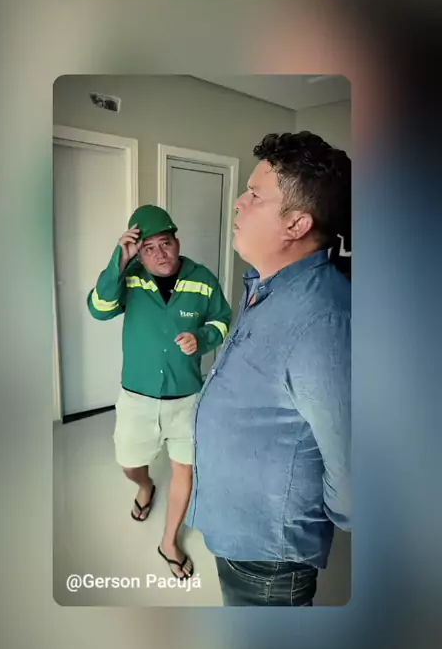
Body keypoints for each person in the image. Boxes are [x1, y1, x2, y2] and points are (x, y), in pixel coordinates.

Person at [187, 132, 351, 606]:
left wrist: (295, 516)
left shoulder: (322, 321)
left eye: (255, 195)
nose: (239, 203)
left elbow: (355, 477)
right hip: (242, 534)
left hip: (267, 560)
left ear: (296, 224)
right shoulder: (268, 285)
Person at [87, 204, 232, 580]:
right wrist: (119, 260)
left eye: (165, 243)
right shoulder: (129, 277)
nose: (159, 254)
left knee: (186, 469)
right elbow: (99, 308)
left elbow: (222, 319)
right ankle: (146, 485)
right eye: (148, 248)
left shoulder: (202, 279)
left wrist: (203, 338)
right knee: (129, 465)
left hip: (187, 399)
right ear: (138, 252)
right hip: (137, 398)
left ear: (176, 242)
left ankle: (169, 542)